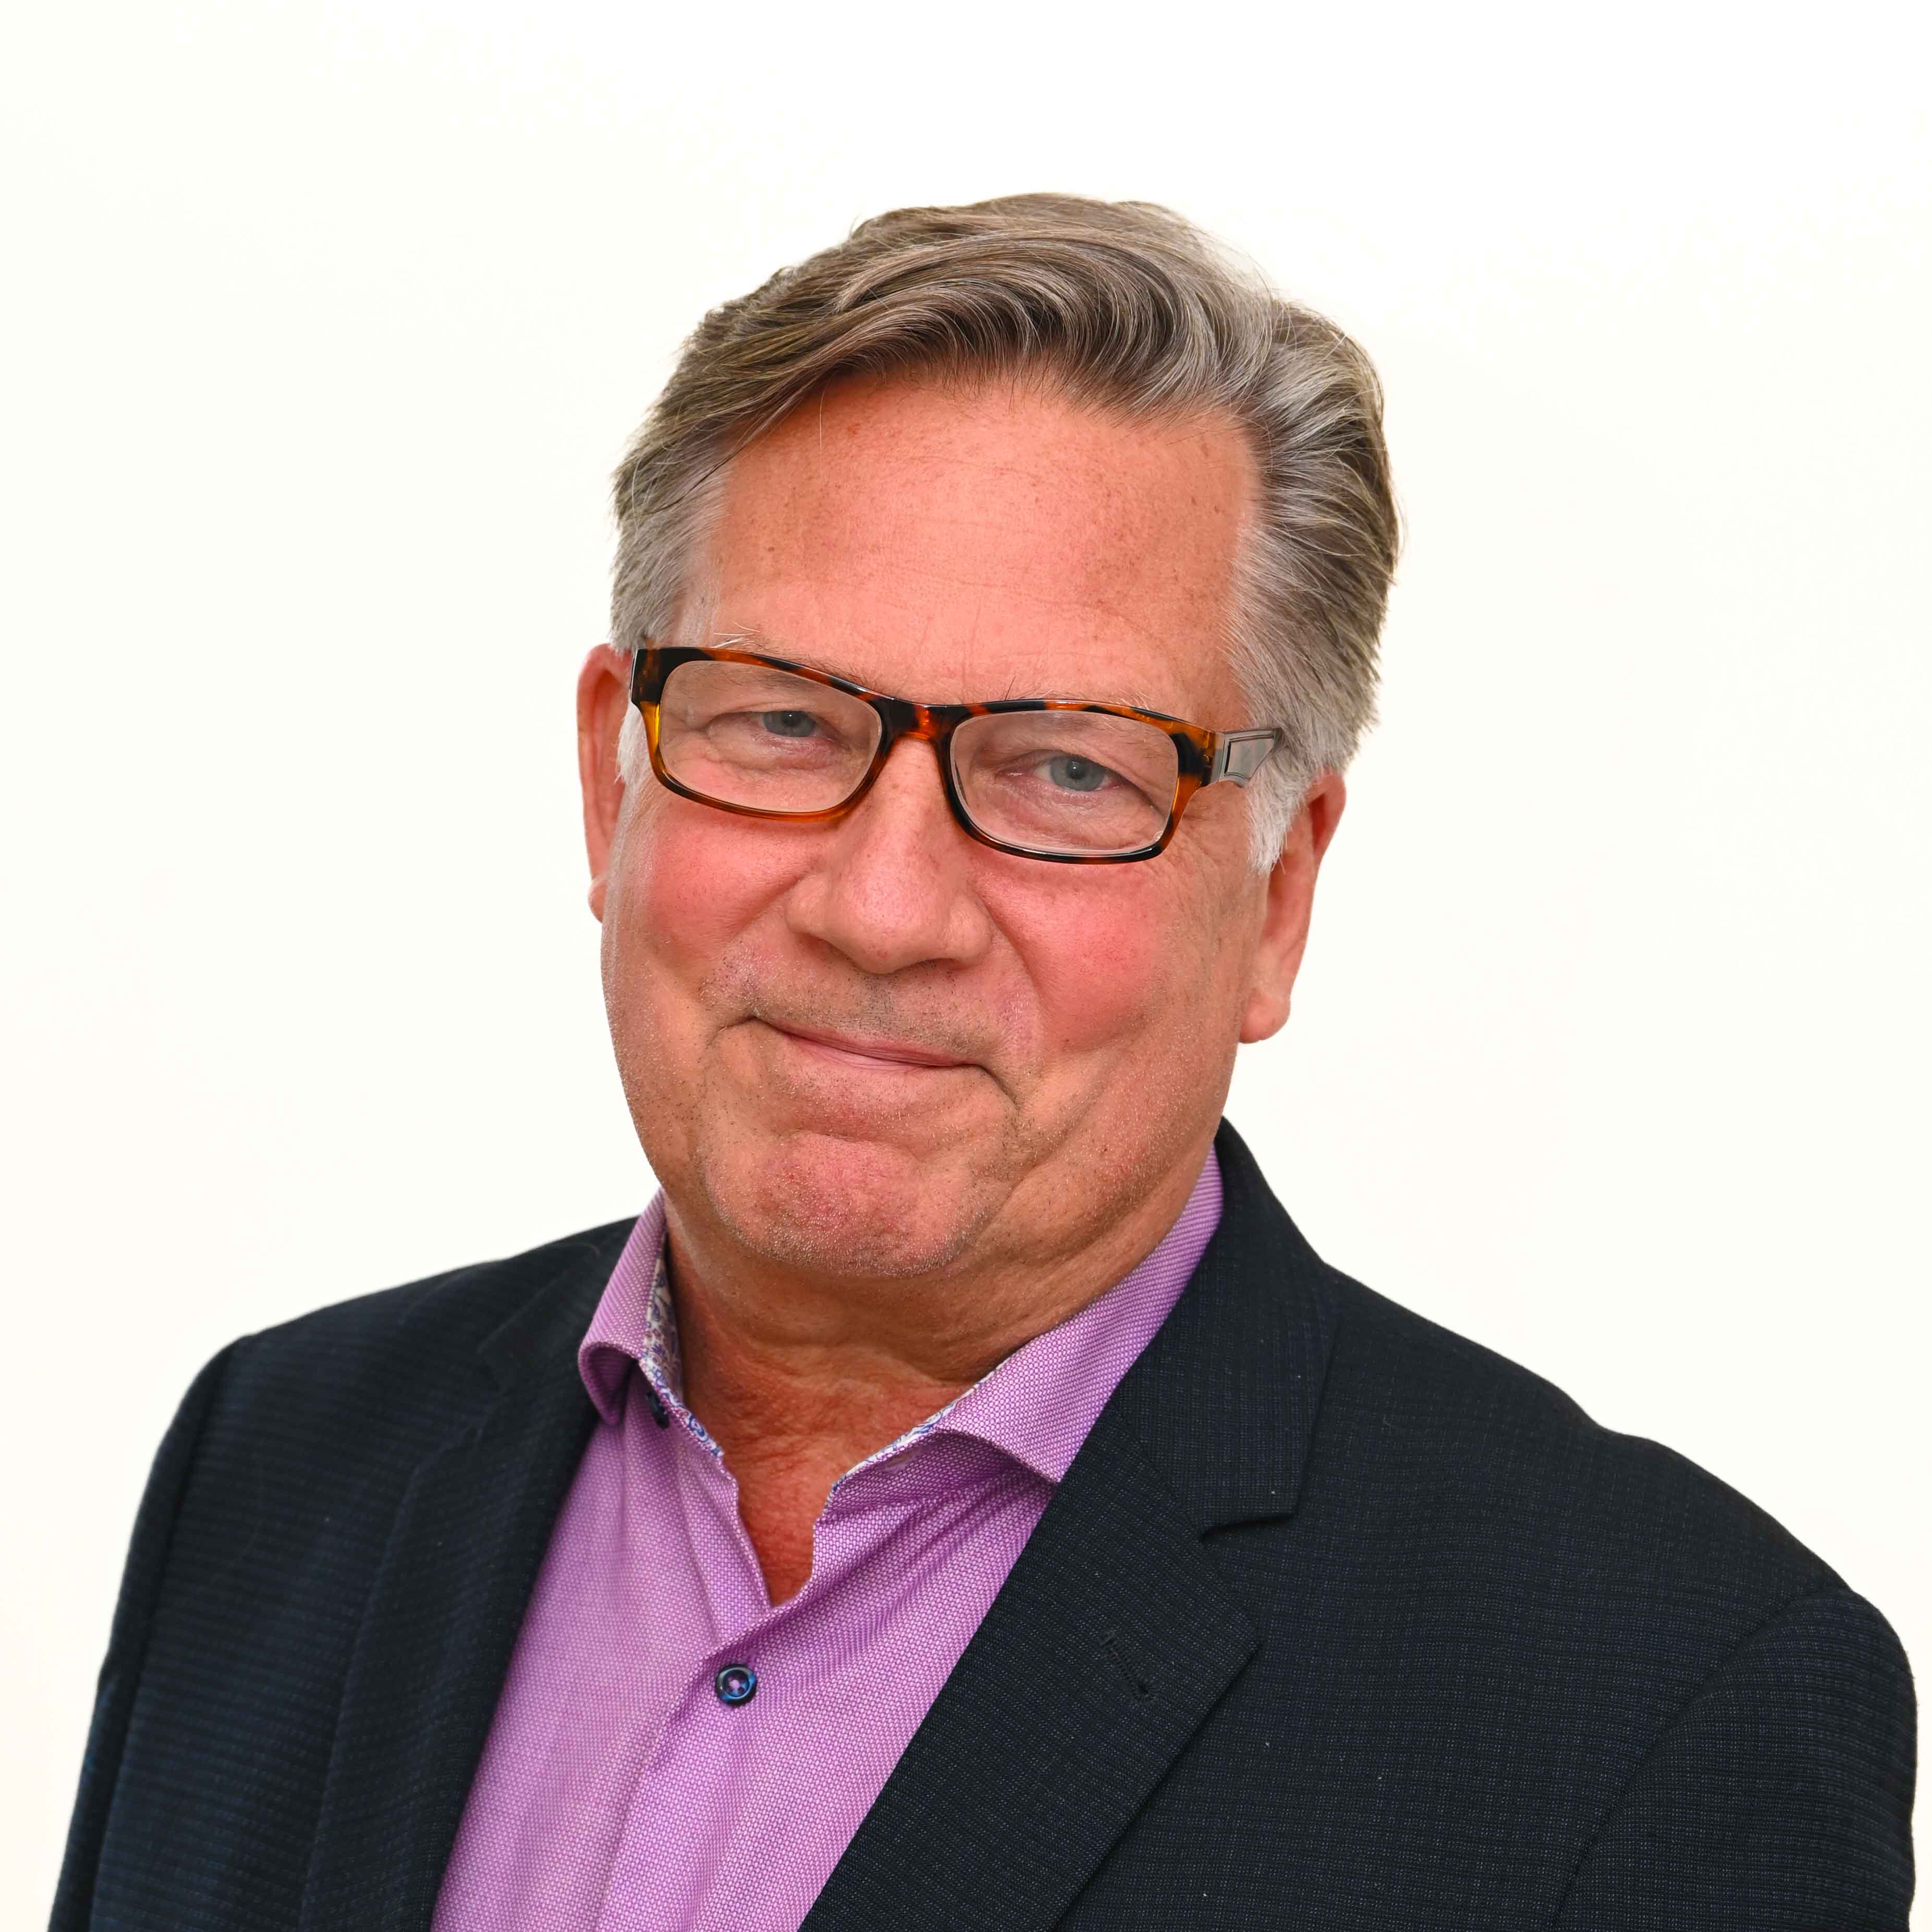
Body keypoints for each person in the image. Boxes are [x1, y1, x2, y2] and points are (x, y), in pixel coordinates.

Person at [53, 195, 1914, 1932]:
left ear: (1277, 893)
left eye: (1069, 768)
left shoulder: (1657, 1705)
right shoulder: (280, 1458)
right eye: (782, 722)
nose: (882, 909)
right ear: (612, 779)